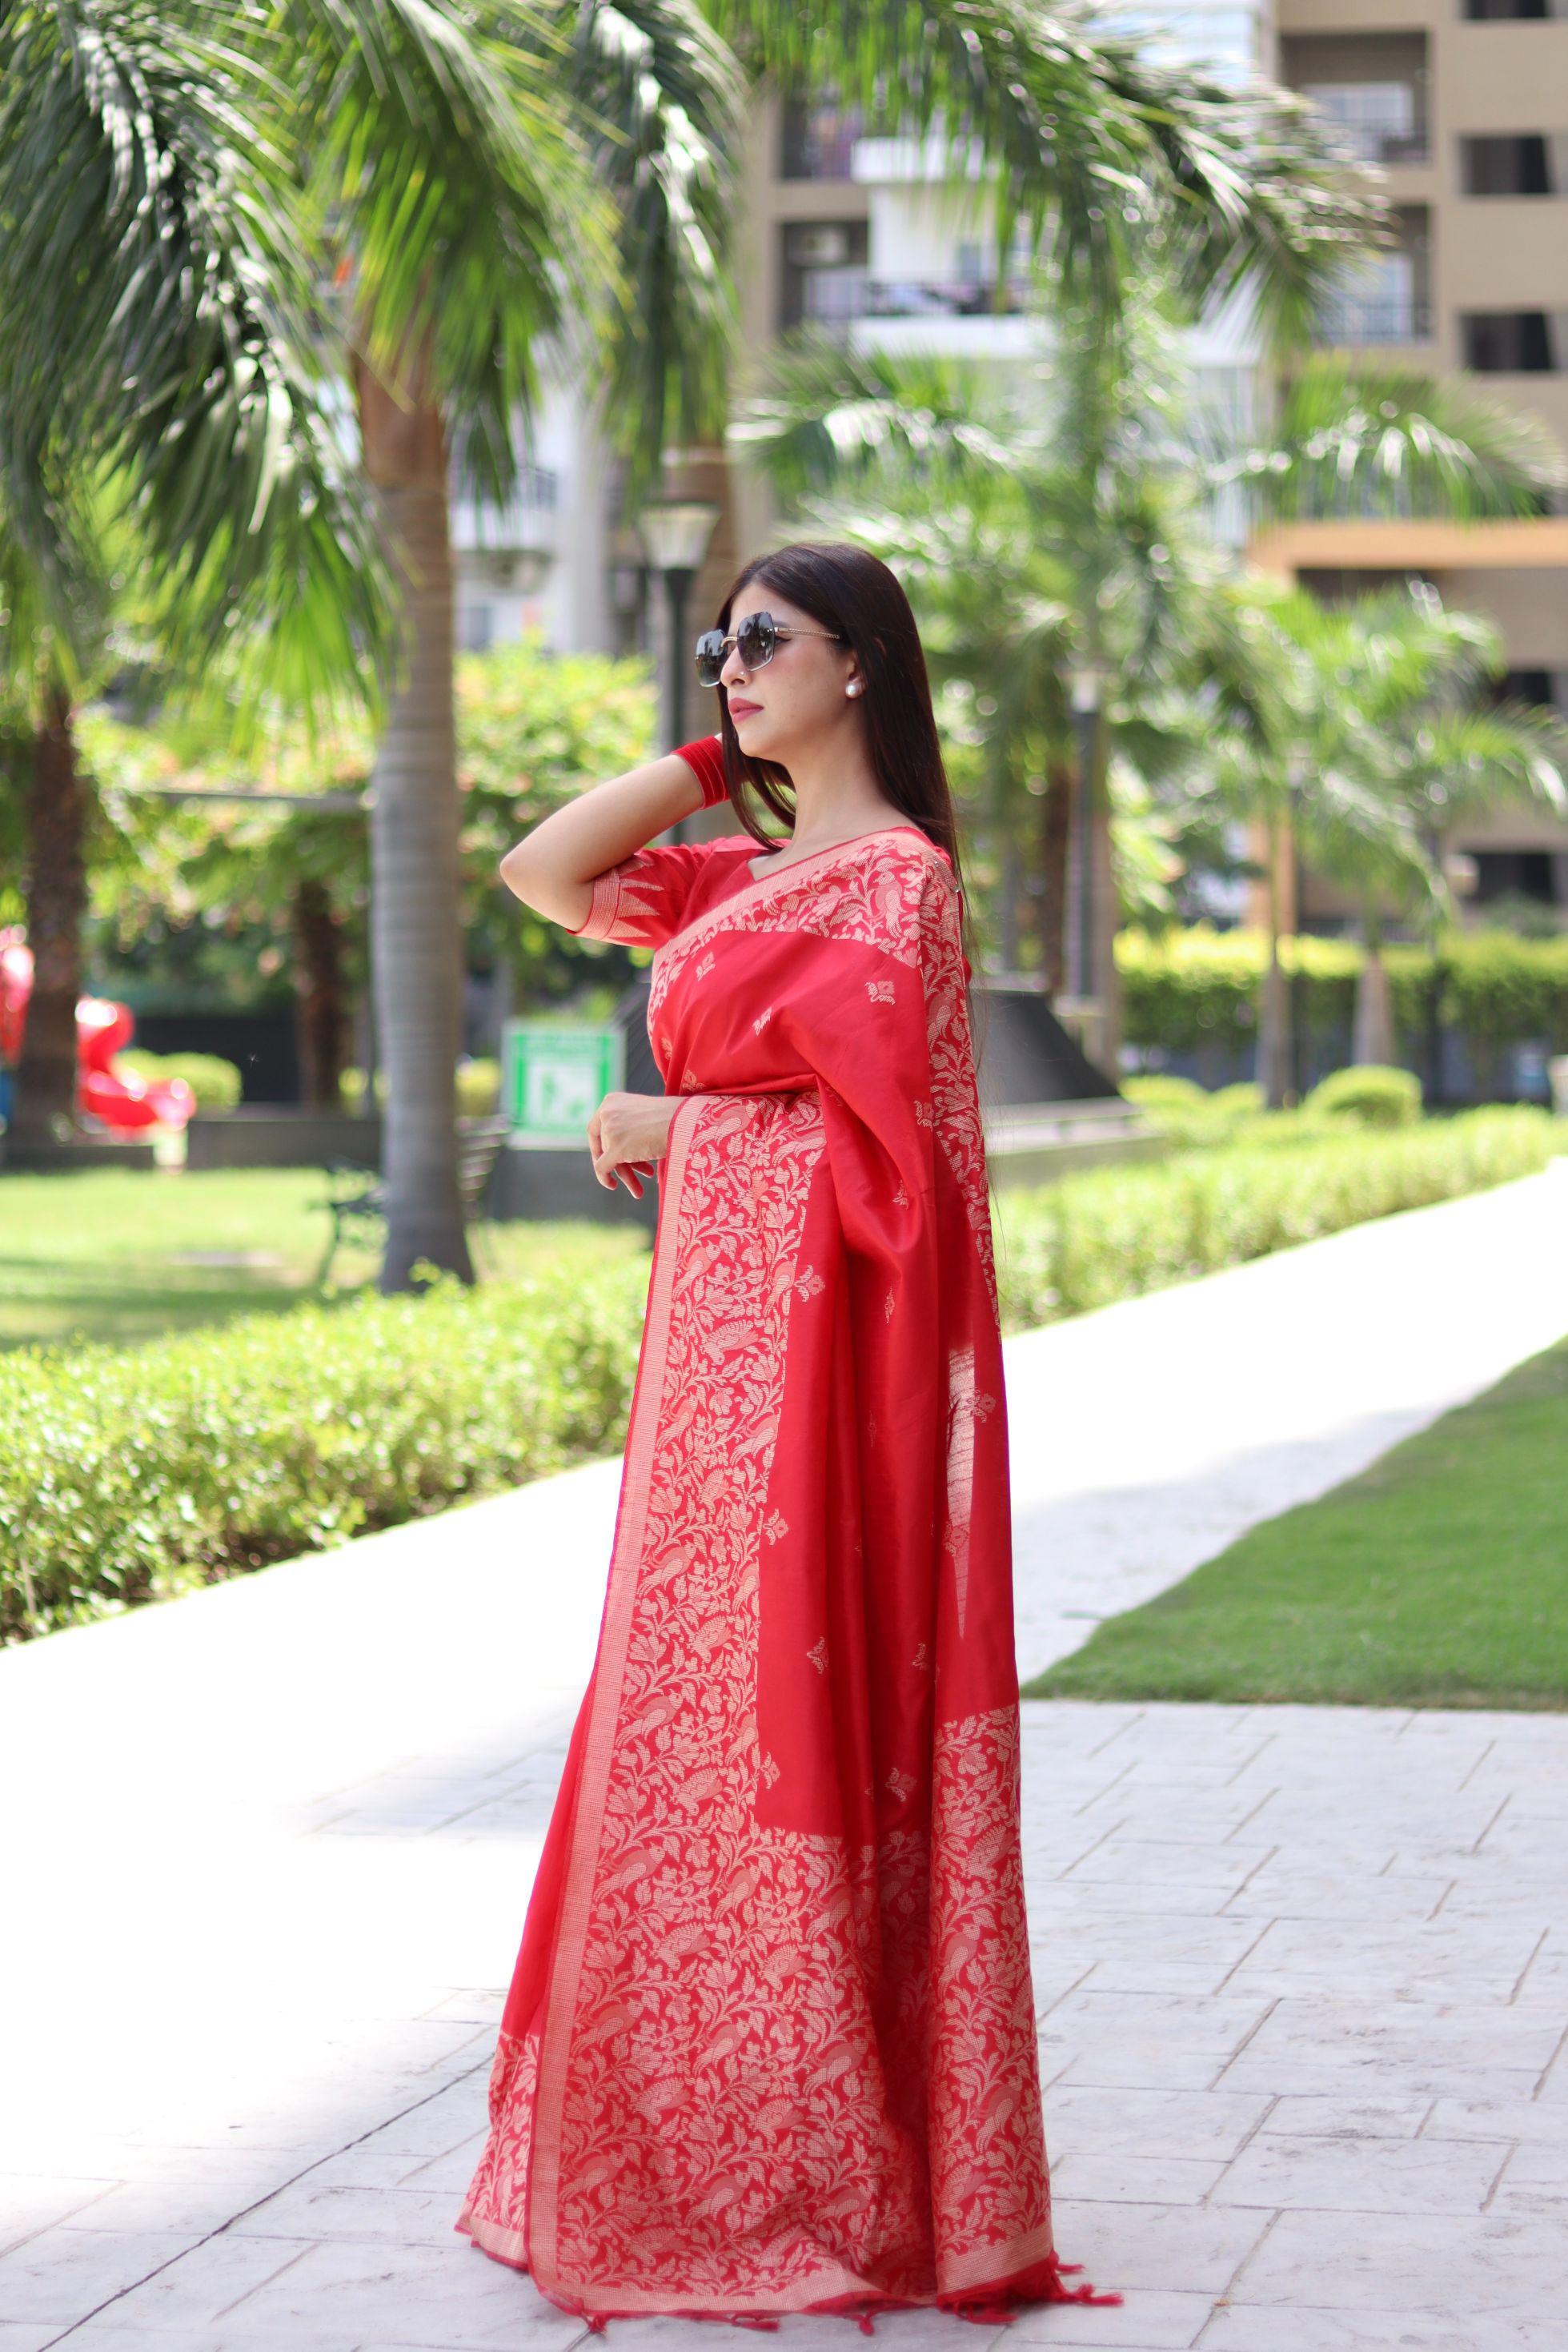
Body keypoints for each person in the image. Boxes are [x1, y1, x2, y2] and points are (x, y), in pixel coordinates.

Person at [455, 541, 1119, 2333]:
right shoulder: (738, 879)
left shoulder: (894, 883)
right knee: (679, 1712)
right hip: (711, 1361)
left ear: (861, 662)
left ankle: (810, 2141)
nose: (735, 664)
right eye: (716, 642)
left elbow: (896, 1169)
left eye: (765, 641)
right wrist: (701, 747)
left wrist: (673, 1129)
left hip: (817, 1373)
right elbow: (539, 869)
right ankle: (688, 2117)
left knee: (787, 1712)